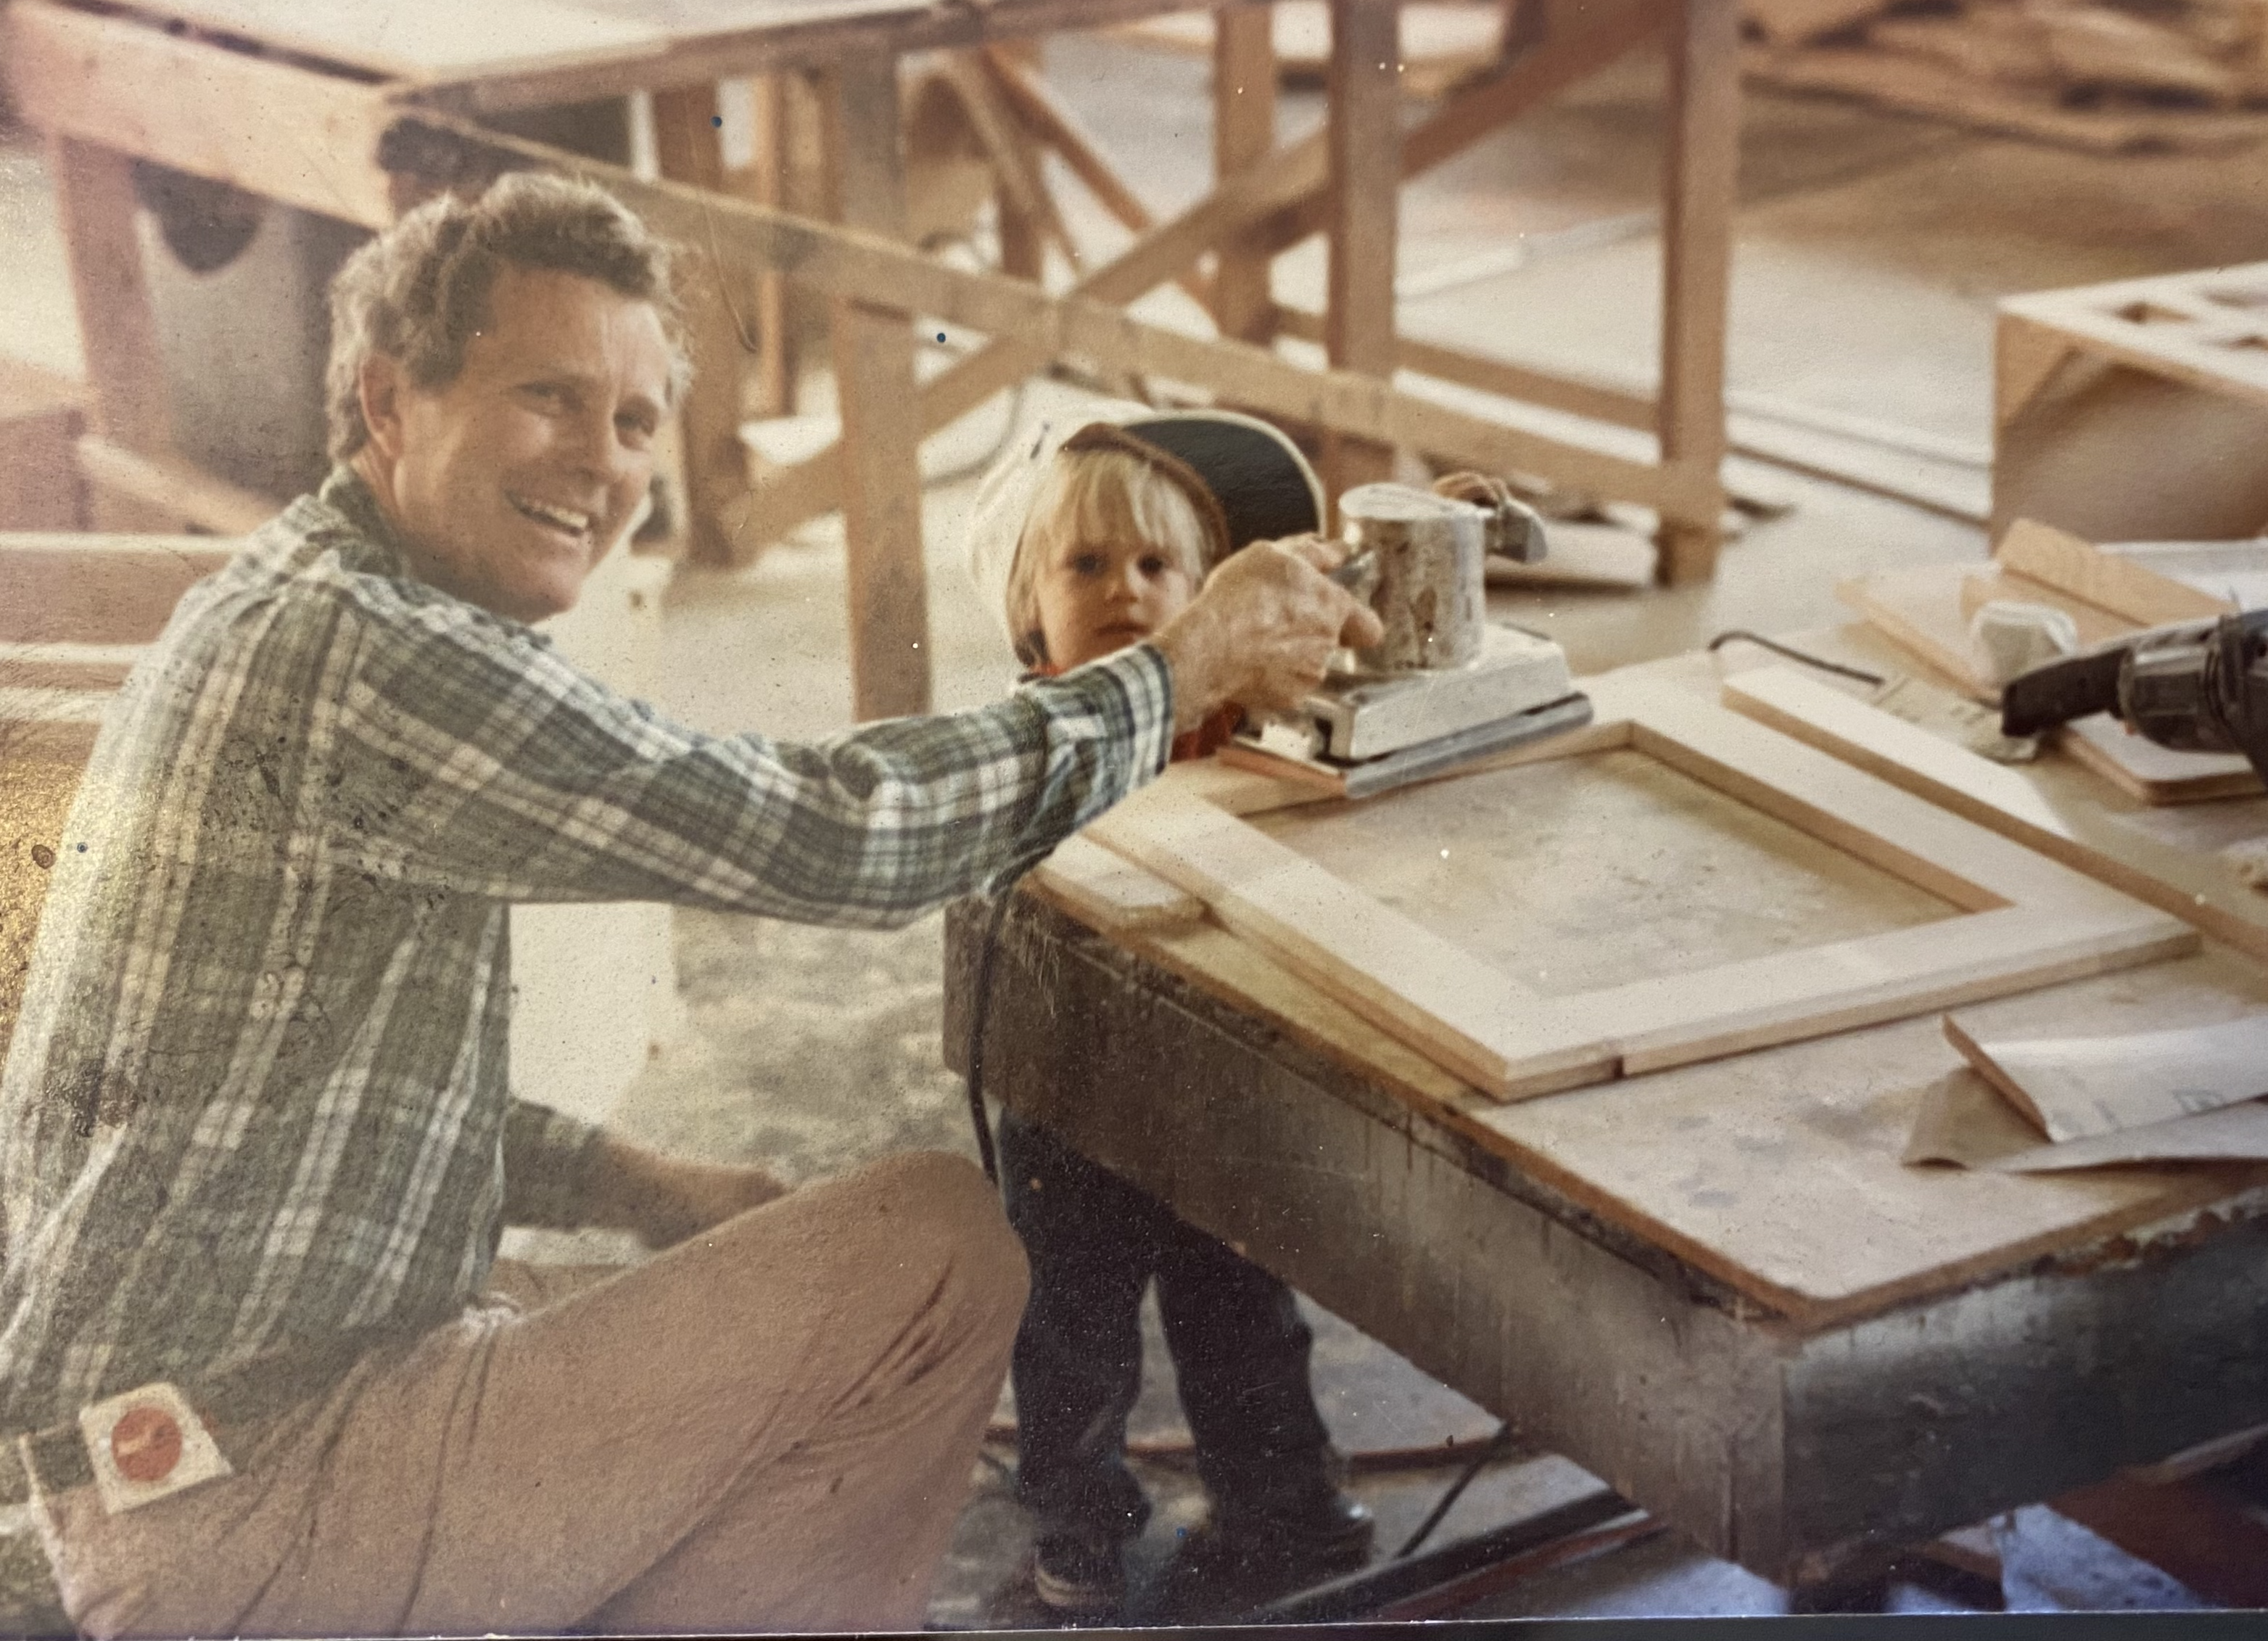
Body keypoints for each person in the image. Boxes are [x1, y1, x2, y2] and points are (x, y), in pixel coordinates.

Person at [0, 173, 1379, 1638]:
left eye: (637, 420)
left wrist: (639, 1180)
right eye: (549, 397)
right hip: (238, 1508)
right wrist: (1176, 670)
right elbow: (824, 833)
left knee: (682, 1311)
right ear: (389, 401)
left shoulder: (300, 592)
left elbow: (327, 1105)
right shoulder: (372, 654)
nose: (600, 463)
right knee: (934, 1241)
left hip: (162, 1462)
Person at [965, 414, 1375, 1619]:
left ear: (1206, 598)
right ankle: (1081, 1529)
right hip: (1066, 1086)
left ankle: (1286, 1501)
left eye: (1157, 569)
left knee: (1241, 1307)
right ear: (1030, 611)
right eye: (1084, 566)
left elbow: (1313, 595)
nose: (1125, 592)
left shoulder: (1230, 714)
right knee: (1068, 1333)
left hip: (1210, 1083)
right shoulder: (1033, 726)